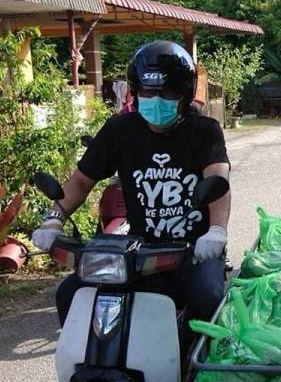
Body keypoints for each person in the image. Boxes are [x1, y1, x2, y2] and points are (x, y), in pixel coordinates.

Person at [32, 40, 231, 325]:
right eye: (149, 91)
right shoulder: (119, 130)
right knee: (70, 293)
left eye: (168, 91)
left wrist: (215, 231)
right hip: (139, 252)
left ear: (185, 95)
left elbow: (217, 181)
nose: (157, 98)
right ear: (136, 93)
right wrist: (53, 219)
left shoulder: (204, 131)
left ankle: (198, 368)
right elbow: (81, 181)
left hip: (193, 249)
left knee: (208, 298)